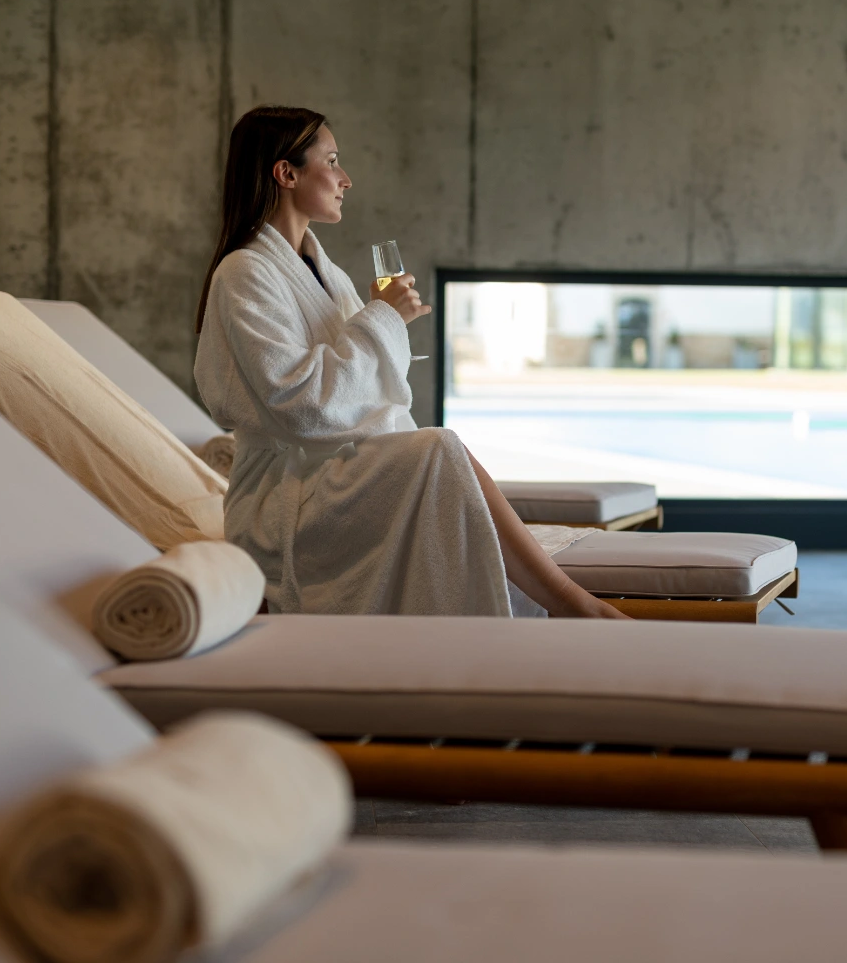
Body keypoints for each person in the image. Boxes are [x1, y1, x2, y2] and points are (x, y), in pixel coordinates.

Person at [194, 105, 627, 620]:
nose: (345, 179)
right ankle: (574, 605)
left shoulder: (320, 268)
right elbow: (298, 402)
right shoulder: (244, 272)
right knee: (439, 448)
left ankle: (571, 604)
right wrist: (382, 320)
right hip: (283, 501)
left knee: (441, 451)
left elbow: (367, 387)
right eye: (331, 162)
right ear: (286, 173)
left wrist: (386, 324)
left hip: (330, 474)